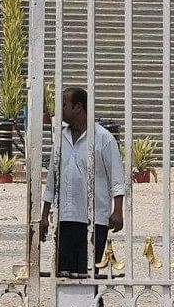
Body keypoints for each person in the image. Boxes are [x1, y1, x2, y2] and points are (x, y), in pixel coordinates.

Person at [38, 85, 127, 279]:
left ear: (78, 107)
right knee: (65, 274)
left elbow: (117, 177)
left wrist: (118, 210)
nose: (58, 111)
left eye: (63, 105)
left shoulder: (103, 138)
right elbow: (52, 179)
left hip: (93, 218)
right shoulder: (60, 139)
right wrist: (45, 215)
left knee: (88, 273)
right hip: (65, 217)